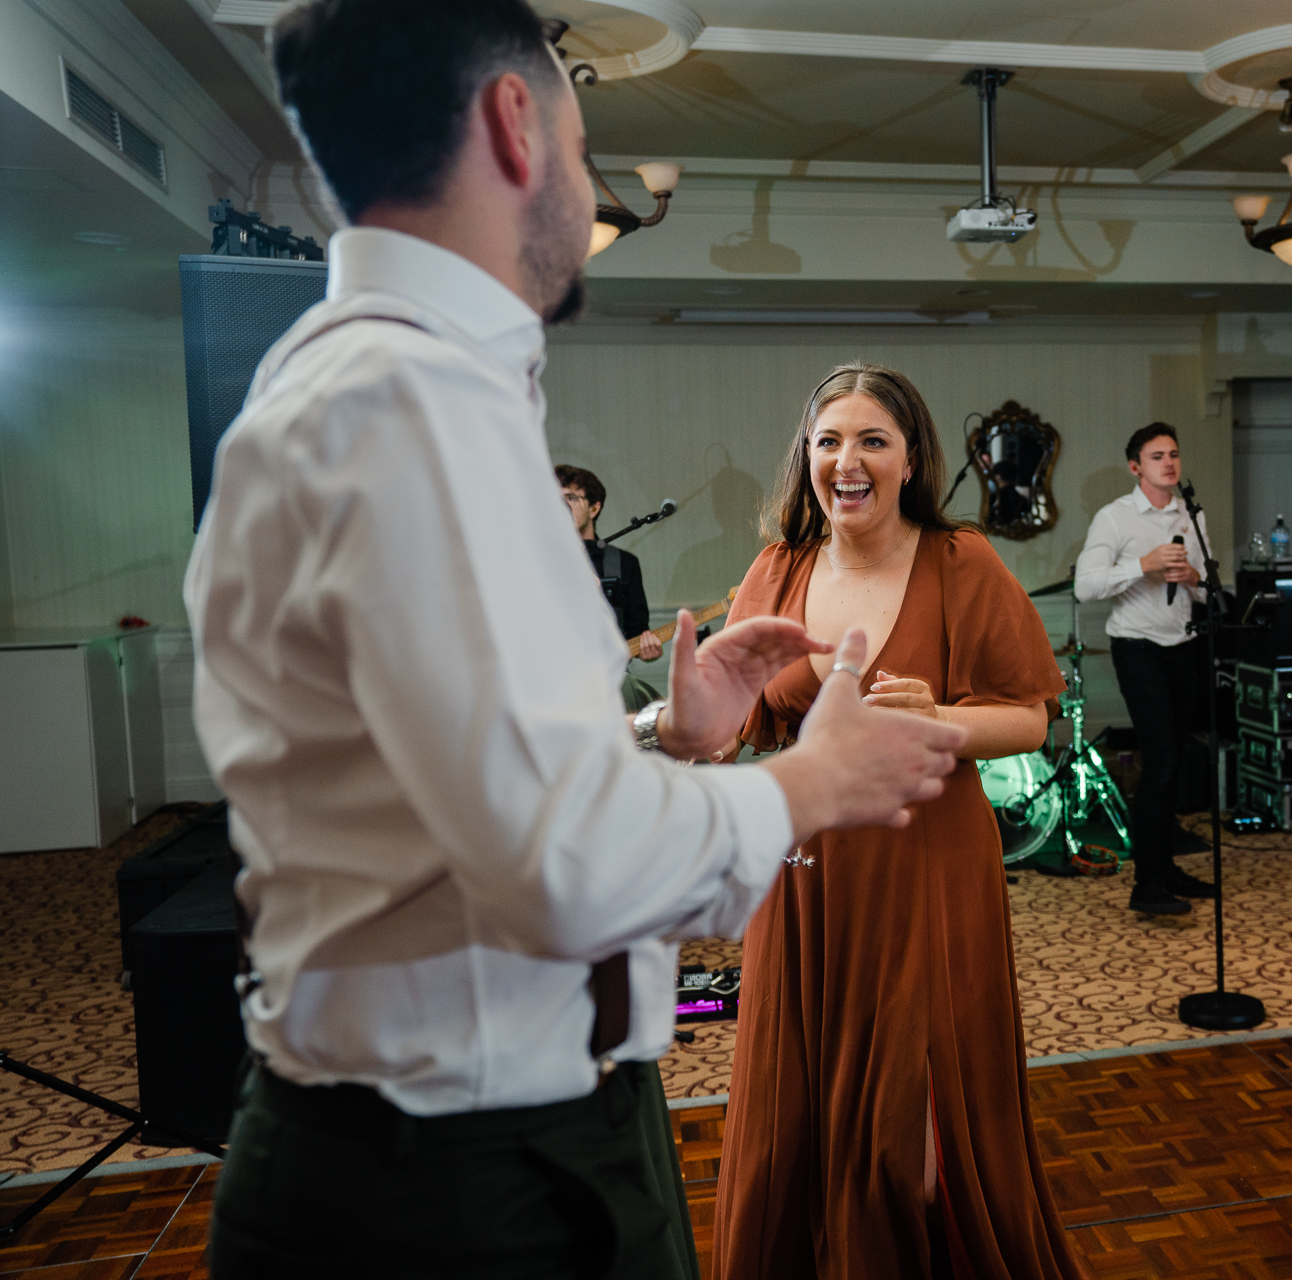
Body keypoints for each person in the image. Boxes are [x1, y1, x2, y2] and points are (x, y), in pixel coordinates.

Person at [188, 5, 963, 1277]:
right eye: (582, 132)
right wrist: (814, 783)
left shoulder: (358, 386)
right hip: (456, 1188)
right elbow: (563, 865)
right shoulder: (416, 407)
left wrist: (662, 731)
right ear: (512, 122)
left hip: (469, 1141)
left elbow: (447, 784)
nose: (591, 178)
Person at [711, 362, 1086, 1280]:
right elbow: (732, 718)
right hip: (809, 870)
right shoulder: (778, 568)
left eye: (873, 439)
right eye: (829, 441)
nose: (849, 460)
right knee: (799, 1114)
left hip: (928, 866)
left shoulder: (962, 561)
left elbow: (1033, 715)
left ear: (911, 459)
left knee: (914, 1150)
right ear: (807, 459)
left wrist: (943, 722)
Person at [1073, 424, 1218, 916]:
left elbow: (1208, 587)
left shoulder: (1192, 514)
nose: (1169, 464)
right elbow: (1085, 586)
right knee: (1161, 763)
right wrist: (1144, 565)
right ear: (1136, 466)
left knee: (1177, 760)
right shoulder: (1114, 518)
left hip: (1185, 646)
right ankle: (1147, 883)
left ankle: (1168, 867)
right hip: (1137, 648)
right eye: (1157, 456)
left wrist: (1193, 577)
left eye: (1174, 454)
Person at [558, 463, 662, 661]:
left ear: (594, 508)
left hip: (612, 681)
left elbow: (637, 632)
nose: (561, 506)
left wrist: (649, 650)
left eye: (570, 498)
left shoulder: (623, 563)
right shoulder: (541, 562)